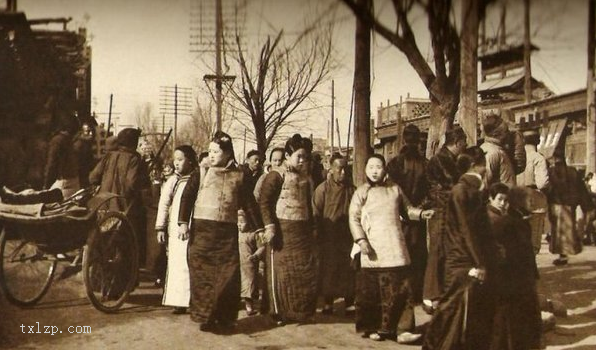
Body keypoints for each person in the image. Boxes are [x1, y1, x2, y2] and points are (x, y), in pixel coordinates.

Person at [178, 131, 263, 333]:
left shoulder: (239, 174)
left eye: (216, 151)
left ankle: (224, 319)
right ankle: (206, 317)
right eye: (210, 151)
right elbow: (187, 198)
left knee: (228, 276)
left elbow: (249, 203)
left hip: (226, 234)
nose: (212, 155)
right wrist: (183, 223)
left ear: (227, 153)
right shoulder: (202, 171)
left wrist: (259, 227)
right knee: (202, 276)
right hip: (202, 233)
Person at [349, 154, 433, 343]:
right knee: (372, 291)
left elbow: (408, 210)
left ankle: (403, 329)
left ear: (384, 169)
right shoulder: (361, 192)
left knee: (402, 288)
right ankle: (375, 327)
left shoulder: (395, 189)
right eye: (371, 167)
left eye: (378, 166)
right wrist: (361, 240)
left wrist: (421, 214)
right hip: (371, 247)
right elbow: (353, 218)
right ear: (365, 170)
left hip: (394, 246)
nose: (374, 170)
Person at [422, 146, 496, 350]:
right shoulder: (463, 190)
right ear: (475, 166)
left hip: (462, 257)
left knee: (459, 309)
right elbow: (466, 230)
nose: (485, 169)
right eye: (483, 165)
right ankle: (432, 346)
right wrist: (479, 261)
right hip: (460, 259)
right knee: (449, 307)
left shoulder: (469, 189)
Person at [258, 134, 318, 325]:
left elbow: (310, 204)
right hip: (282, 231)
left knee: (300, 272)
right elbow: (264, 203)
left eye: (305, 157)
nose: (302, 161)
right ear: (288, 155)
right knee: (281, 273)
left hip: (301, 230)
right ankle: (278, 312)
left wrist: (313, 227)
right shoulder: (276, 175)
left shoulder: (307, 178)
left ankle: (298, 312)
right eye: (299, 156)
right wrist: (269, 226)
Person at [386, 124, 429, 341]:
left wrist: (406, 208)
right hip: (416, 222)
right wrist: (417, 208)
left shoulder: (394, 164)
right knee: (411, 267)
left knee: (403, 268)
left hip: (402, 221)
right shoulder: (423, 163)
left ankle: (400, 321)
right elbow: (429, 191)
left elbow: (393, 191)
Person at [486, 183, 542, 350]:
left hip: (515, 279)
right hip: (514, 280)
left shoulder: (515, 221)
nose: (532, 204)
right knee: (513, 322)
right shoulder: (510, 223)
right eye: (529, 200)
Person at [89, 128, 151, 267]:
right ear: (134, 143)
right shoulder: (134, 159)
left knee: (104, 240)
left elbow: (93, 177)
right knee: (127, 243)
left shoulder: (108, 156)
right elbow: (131, 184)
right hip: (123, 207)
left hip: (103, 205)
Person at [423, 127, 467, 312]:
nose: (465, 146)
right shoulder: (441, 160)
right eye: (464, 142)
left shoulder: (449, 159)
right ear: (457, 143)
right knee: (438, 251)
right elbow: (441, 189)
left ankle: (440, 292)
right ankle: (430, 294)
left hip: (448, 210)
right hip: (440, 210)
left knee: (446, 251)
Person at [155, 145, 197, 314]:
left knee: (192, 262)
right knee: (177, 263)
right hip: (175, 228)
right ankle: (178, 300)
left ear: (190, 161)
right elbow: (164, 204)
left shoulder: (197, 179)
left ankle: (194, 300)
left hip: (194, 225)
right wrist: (161, 227)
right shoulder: (173, 181)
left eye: (181, 159)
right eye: (175, 160)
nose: (177, 163)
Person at [313, 153, 356, 316]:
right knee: (328, 269)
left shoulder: (352, 190)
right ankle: (328, 302)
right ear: (331, 170)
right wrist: (317, 233)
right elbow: (316, 212)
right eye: (340, 169)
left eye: (346, 168)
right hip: (329, 235)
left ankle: (350, 302)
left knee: (349, 268)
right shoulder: (322, 189)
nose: (343, 172)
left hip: (347, 235)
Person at [546, 150, 593, 265]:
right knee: (568, 230)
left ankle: (563, 255)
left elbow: (549, 188)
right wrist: (585, 205)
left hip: (556, 204)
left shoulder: (551, 172)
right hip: (570, 204)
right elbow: (581, 189)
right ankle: (568, 251)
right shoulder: (572, 171)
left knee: (559, 231)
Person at [238, 149, 264, 316]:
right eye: (255, 159)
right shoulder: (243, 175)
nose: (257, 163)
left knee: (252, 271)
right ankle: (245, 301)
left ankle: (251, 301)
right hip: (244, 218)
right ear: (247, 159)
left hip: (255, 222)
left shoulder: (259, 176)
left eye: (260, 160)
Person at [516, 129, 549, 254]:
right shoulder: (538, 158)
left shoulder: (516, 157)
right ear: (538, 141)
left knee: (519, 239)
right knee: (533, 241)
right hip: (534, 200)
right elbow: (542, 183)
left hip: (517, 199)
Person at [44, 114, 80, 199]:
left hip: (62, 183)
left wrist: (46, 185)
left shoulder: (57, 140)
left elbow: (51, 165)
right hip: (74, 181)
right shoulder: (70, 140)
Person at [480, 113, 518, 187]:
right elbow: (483, 184)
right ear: (496, 134)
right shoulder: (492, 152)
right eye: (506, 132)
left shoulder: (496, 149)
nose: (508, 135)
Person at [72, 122, 96, 188]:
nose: (91, 134)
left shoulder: (87, 143)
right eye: (88, 131)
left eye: (92, 131)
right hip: (80, 176)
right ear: (82, 132)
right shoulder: (78, 145)